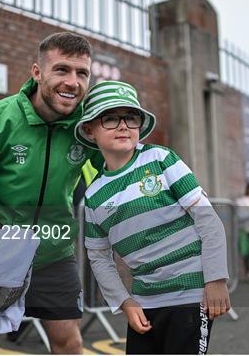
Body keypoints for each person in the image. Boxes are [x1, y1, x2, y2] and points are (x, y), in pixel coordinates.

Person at [0, 32, 102, 354]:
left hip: (54, 252)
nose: (73, 82)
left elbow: (115, 169)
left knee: (69, 342)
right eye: (62, 70)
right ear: (37, 73)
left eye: (82, 73)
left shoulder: (87, 128)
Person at [75, 81, 230, 354]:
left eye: (131, 118)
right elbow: (98, 257)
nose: (123, 125)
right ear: (89, 129)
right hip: (144, 302)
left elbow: (207, 219)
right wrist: (125, 302)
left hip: (191, 294)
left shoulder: (161, 159)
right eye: (110, 118)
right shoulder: (94, 195)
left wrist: (216, 279)